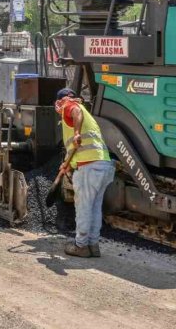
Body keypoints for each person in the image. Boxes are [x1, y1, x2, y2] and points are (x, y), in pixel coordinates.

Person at [53, 87, 114, 258]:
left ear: (61, 99)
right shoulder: (88, 115)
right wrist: (67, 164)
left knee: (84, 208)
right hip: (103, 165)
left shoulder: (69, 105)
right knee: (94, 208)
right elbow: (79, 148)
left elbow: (75, 112)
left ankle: (80, 245)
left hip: (89, 168)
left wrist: (76, 133)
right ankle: (93, 245)